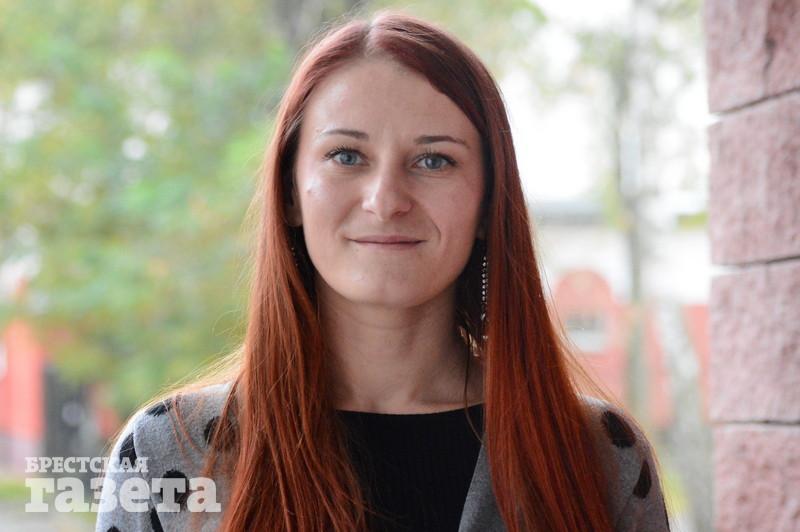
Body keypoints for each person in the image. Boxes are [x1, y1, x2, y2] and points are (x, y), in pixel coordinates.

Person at [95, 9, 670, 532]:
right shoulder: (167, 454)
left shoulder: (597, 456)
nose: (386, 199)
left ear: (487, 203)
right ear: (290, 193)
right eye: (346, 156)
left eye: (434, 160)